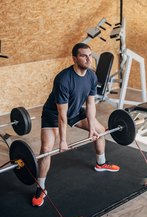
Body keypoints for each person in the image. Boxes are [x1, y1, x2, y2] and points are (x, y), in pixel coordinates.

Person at [32, 43, 120, 207]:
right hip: (53, 114)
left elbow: (91, 104)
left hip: (75, 111)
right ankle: (41, 187)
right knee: (45, 150)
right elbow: (62, 115)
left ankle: (101, 163)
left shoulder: (92, 77)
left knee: (100, 131)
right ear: (74, 58)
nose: (88, 59)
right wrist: (63, 141)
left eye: (90, 55)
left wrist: (92, 128)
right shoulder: (63, 79)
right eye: (83, 56)